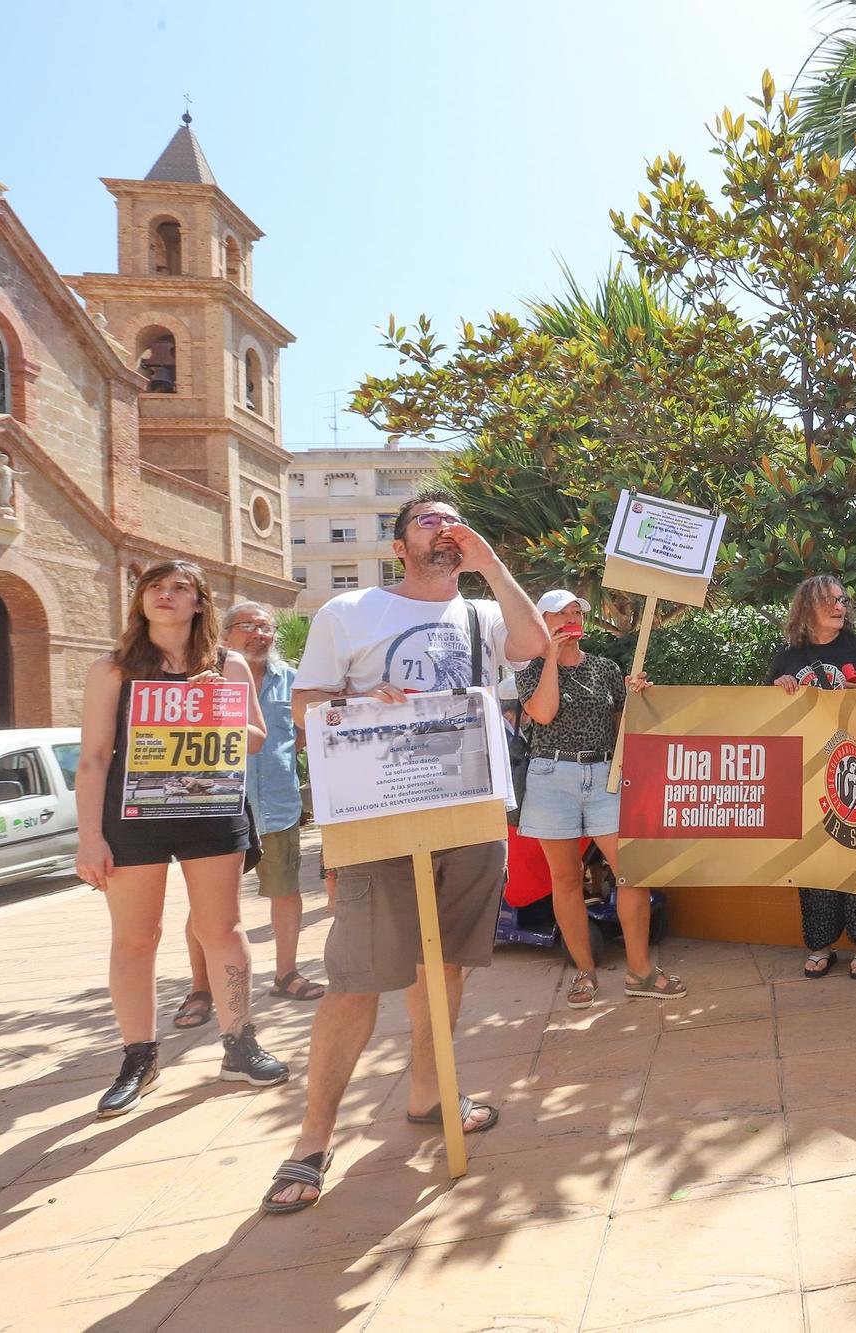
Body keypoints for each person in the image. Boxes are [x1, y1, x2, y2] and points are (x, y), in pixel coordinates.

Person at [262, 489, 549, 1213]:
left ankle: (430, 1093)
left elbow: (535, 644)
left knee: (446, 962)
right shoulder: (349, 613)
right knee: (358, 978)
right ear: (399, 546)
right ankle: (311, 1139)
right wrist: (365, 705)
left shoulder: (482, 613)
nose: (446, 528)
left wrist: (491, 562)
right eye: (429, 520)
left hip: (469, 811)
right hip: (376, 813)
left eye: (456, 519)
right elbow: (306, 706)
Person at [74, 561, 287, 1118]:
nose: (165, 596)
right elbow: (94, 758)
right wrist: (89, 837)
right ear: (140, 600)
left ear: (200, 603)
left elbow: (257, 740)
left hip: (210, 810)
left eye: (179, 589)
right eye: (155, 588)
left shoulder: (228, 663)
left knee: (222, 928)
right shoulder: (114, 669)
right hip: (134, 814)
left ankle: (240, 1043)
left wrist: (221, 709)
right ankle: (138, 1059)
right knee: (136, 938)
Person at [516, 589, 678, 1008]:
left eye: (577, 611)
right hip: (552, 775)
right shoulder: (530, 669)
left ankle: (640, 970)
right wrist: (551, 656)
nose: (573, 617)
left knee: (632, 872)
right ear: (542, 621)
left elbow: (630, 722)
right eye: (562, 612)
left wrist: (639, 693)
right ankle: (584, 974)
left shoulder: (605, 668)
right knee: (566, 879)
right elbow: (544, 713)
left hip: (606, 774)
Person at [174, 603, 319, 1031]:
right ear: (224, 635)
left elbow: (304, 734)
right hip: (216, 808)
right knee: (207, 907)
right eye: (248, 627)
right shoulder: (199, 682)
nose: (260, 634)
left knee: (285, 891)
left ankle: (286, 974)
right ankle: (201, 989)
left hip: (278, 805)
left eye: (266, 627)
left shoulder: (293, 683)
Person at [766, 574, 856, 979]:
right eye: (829, 601)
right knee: (815, 859)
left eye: (842, 599)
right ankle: (820, 944)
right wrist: (778, 689)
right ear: (807, 608)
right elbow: (766, 719)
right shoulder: (786, 658)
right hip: (807, 775)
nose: (840, 606)